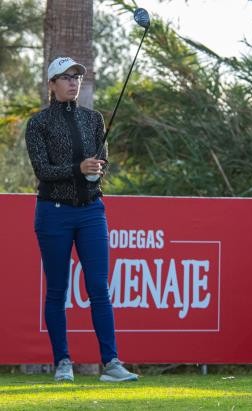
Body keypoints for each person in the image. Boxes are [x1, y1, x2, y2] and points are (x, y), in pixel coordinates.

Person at [25, 56, 138, 382]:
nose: (73, 82)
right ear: (52, 85)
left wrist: (96, 169)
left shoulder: (94, 119)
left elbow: (102, 161)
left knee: (99, 288)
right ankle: (63, 362)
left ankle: (111, 363)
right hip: (53, 213)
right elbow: (43, 171)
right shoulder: (39, 124)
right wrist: (79, 169)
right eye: (65, 77)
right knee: (57, 290)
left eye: (77, 76)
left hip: (91, 211)